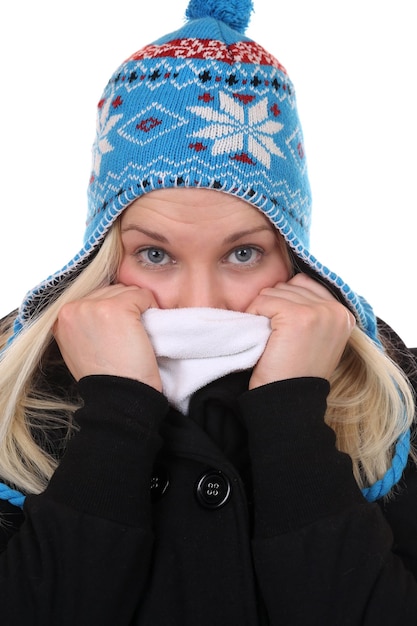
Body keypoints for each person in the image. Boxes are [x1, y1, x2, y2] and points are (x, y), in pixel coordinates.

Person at [0, 0, 416, 623]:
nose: (201, 304)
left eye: (243, 253)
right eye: (155, 254)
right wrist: (115, 408)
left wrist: (292, 410)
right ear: (105, 256)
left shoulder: (395, 400)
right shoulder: (13, 400)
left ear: (295, 261)